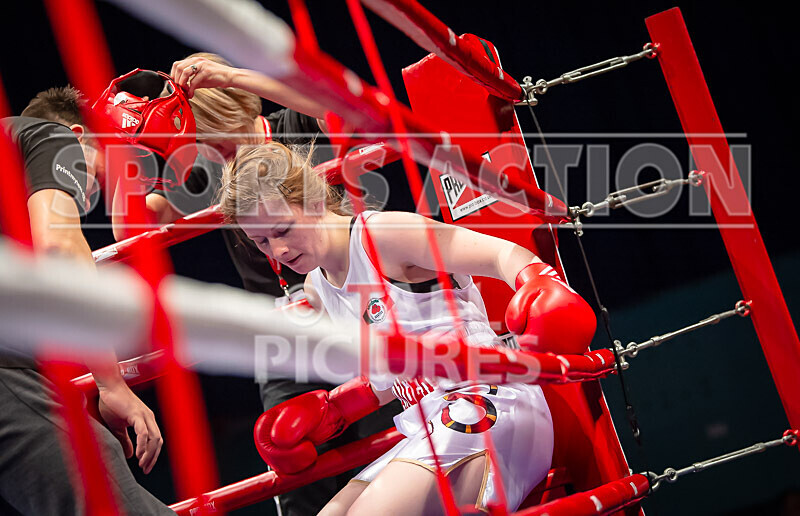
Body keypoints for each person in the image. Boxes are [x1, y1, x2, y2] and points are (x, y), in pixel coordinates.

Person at [218, 142, 597, 513]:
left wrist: (539, 282)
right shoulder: (319, 286)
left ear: (315, 202)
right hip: (428, 424)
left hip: (490, 399)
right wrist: (336, 410)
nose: (279, 252)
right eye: (262, 241)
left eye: (283, 229)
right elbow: (390, 375)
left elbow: (501, 254)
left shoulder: (381, 235)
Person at [126, 53, 402, 515]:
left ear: (241, 114)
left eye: (225, 148)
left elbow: (345, 105)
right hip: (284, 335)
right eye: (206, 152)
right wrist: (135, 148)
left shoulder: (297, 122)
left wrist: (233, 76)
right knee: (291, 469)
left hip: (359, 310)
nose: (224, 167)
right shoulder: (206, 169)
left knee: (392, 451)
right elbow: (132, 228)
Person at [0, 87, 174, 514]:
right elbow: (59, 247)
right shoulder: (51, 138)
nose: (96, 189)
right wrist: (110, 382)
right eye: (99, 171)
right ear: (78, 135)